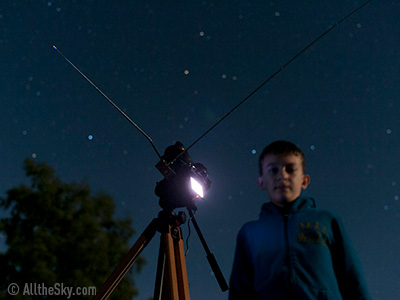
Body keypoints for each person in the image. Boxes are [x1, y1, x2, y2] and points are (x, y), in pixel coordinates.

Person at [229, 140, 371, 300]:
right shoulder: (249, 233)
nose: (282, 176)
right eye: (273, 170)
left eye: (290, 169)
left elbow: (351, 278)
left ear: (304, 180)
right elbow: (239, 289)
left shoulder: (327, 221)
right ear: (261, 181)